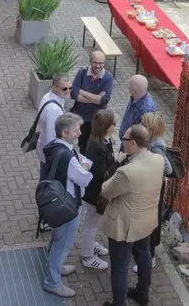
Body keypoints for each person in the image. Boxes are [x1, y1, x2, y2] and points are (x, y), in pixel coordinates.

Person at [100, 124, 164, 306]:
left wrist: (119, 162)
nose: (123, 142)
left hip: (124, 227)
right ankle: (142, 293)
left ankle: (119, 303)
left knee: (119, 267)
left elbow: (105, 191)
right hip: (146, 221)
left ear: (134, 144)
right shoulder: (158, 160)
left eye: (125, 140)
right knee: (143, 254)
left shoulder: (126, 172)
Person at [41, 113, 93, 299]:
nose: (79, 132)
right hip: (69, 205)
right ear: (64, 132)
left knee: (57, 238)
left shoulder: (54, 146)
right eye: (76, 130)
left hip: (58, 203)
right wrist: (85, 167)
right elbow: (84, 179)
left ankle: (54, 267)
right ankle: (52, 281)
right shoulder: (69, 157)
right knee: (63, 243)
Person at [80, 109, 115, 271]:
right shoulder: (97, 147)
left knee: (92, 224)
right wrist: (118, 161)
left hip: (94, 191)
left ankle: (91, 245)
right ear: (106, 127)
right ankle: (87, 256)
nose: (115, 125)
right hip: (95, 194)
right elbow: (103, 174)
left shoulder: (102, 140)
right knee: (92, 225)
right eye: (112, 123)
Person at [140, 112, 173, 272]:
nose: (141, 126)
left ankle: (151, 256)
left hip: (155, 187)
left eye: (144, 124)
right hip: (150, 185)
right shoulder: (150, 141)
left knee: (153, 220)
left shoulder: (156, 146)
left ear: (151, 129)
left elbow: (168, 168)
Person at [71, 50, 114, 154]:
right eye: (95, 62)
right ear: (90, 61)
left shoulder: (108, 78)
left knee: (95, 146)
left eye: (101, 63)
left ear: (104, 63)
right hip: (81, 118)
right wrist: (96, 98)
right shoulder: (82, 73)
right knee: (82, 145)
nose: (98, 66)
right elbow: (73, 94)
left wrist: (83, 92)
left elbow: (104, 101)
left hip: (97, 120)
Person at [36, 75, 71, 179]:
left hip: (45, 150)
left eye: (70, 88)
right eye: (64, 88)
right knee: (48, 183)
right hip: (50, 155)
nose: (68, 91)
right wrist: (55, 161)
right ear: (55, 87)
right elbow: (51, 139)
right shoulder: (53, 110)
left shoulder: (49, 96)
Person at [118, 75, 156, 141]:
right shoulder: (136, 96)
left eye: (129, 83)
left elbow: (144, 136)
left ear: (133, 90)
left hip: (131, 147)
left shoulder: (147, 109)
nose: (128, 85)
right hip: (126, 142)